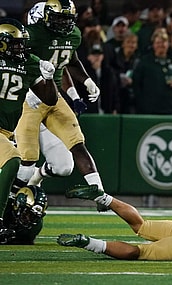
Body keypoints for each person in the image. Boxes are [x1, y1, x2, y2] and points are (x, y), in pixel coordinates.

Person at [14, 0, 111, 212]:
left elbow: (70, 61)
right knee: (26, 160)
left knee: (75, 147)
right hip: (28, 99)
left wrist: (86, 81)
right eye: (59, 18)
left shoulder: (73, 34)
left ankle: (100, 194)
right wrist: (27, 86)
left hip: (54, 97)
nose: (63, 24)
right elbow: (15, 60)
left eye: (67, 19)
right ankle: (10, 205)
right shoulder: (33, 34)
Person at [0, 18, 58, 243]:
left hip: (7, 133)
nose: (20, 48)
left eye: (21, 43)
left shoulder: (28, 63)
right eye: (15, 44)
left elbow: (50, 98)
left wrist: (50, 78)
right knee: (14, 160)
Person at [132, 31, 172, 115]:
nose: (161, 45)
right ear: (153, 45)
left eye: (164, 42)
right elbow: (136, 84)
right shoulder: (144, 62)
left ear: (168, 44)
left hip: (171, 107)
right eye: (158, 42)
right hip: (149, 108)